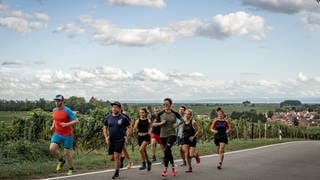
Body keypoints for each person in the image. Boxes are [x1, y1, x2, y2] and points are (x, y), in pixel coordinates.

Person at [153, 98, 185, 177]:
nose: (165, 105)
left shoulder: (174, 113)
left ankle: (165, 169)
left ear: (170, 104)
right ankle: (173, 166)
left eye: (166, 104)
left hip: (172, 134)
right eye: (164, 104)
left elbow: (182, 121)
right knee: (168, 151)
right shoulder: (160, 113)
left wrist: (176, 125)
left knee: (167, 149)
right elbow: (153, 124)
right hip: (163, 135)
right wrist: (160, 123)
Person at [49, 94, 80, 176]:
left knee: (67, 152)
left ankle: (71, 168)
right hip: (57, 133)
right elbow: (55, 120)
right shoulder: (54, 110)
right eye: (55, 101)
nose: (56, 102)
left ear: (62, 101)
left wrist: (67, 124)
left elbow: (77, 121)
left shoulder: (67, 110)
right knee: (52, 149)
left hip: (67, 134)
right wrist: (53, 126)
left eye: (58, 101)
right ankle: (61, 160)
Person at [103, 101, 131, 179]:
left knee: (116, 156)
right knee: (111, 158)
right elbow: (105, 127)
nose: (114, 109)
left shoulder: (123, 118)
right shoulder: (108, 117)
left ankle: (116, 173)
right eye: (113, 107)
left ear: (119, 108)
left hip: (120, 139)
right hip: (111, 140)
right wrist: (106, 136)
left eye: (116, 107)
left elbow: (129, 127)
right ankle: (121, 159)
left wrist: (126, 136)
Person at [182, 109, 201, 173]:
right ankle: (190, 168)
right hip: (185, 139)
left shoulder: (193, 122)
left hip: (192, 140)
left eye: (188, 114)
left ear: (190, 115)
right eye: (186, 114)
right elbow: (183, 130)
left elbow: (198, 130)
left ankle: (196, 155)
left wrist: (194, 137)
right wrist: (182, 135)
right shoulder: (184, 122)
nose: (187, 115)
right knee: (187, 154)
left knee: (190, 155)